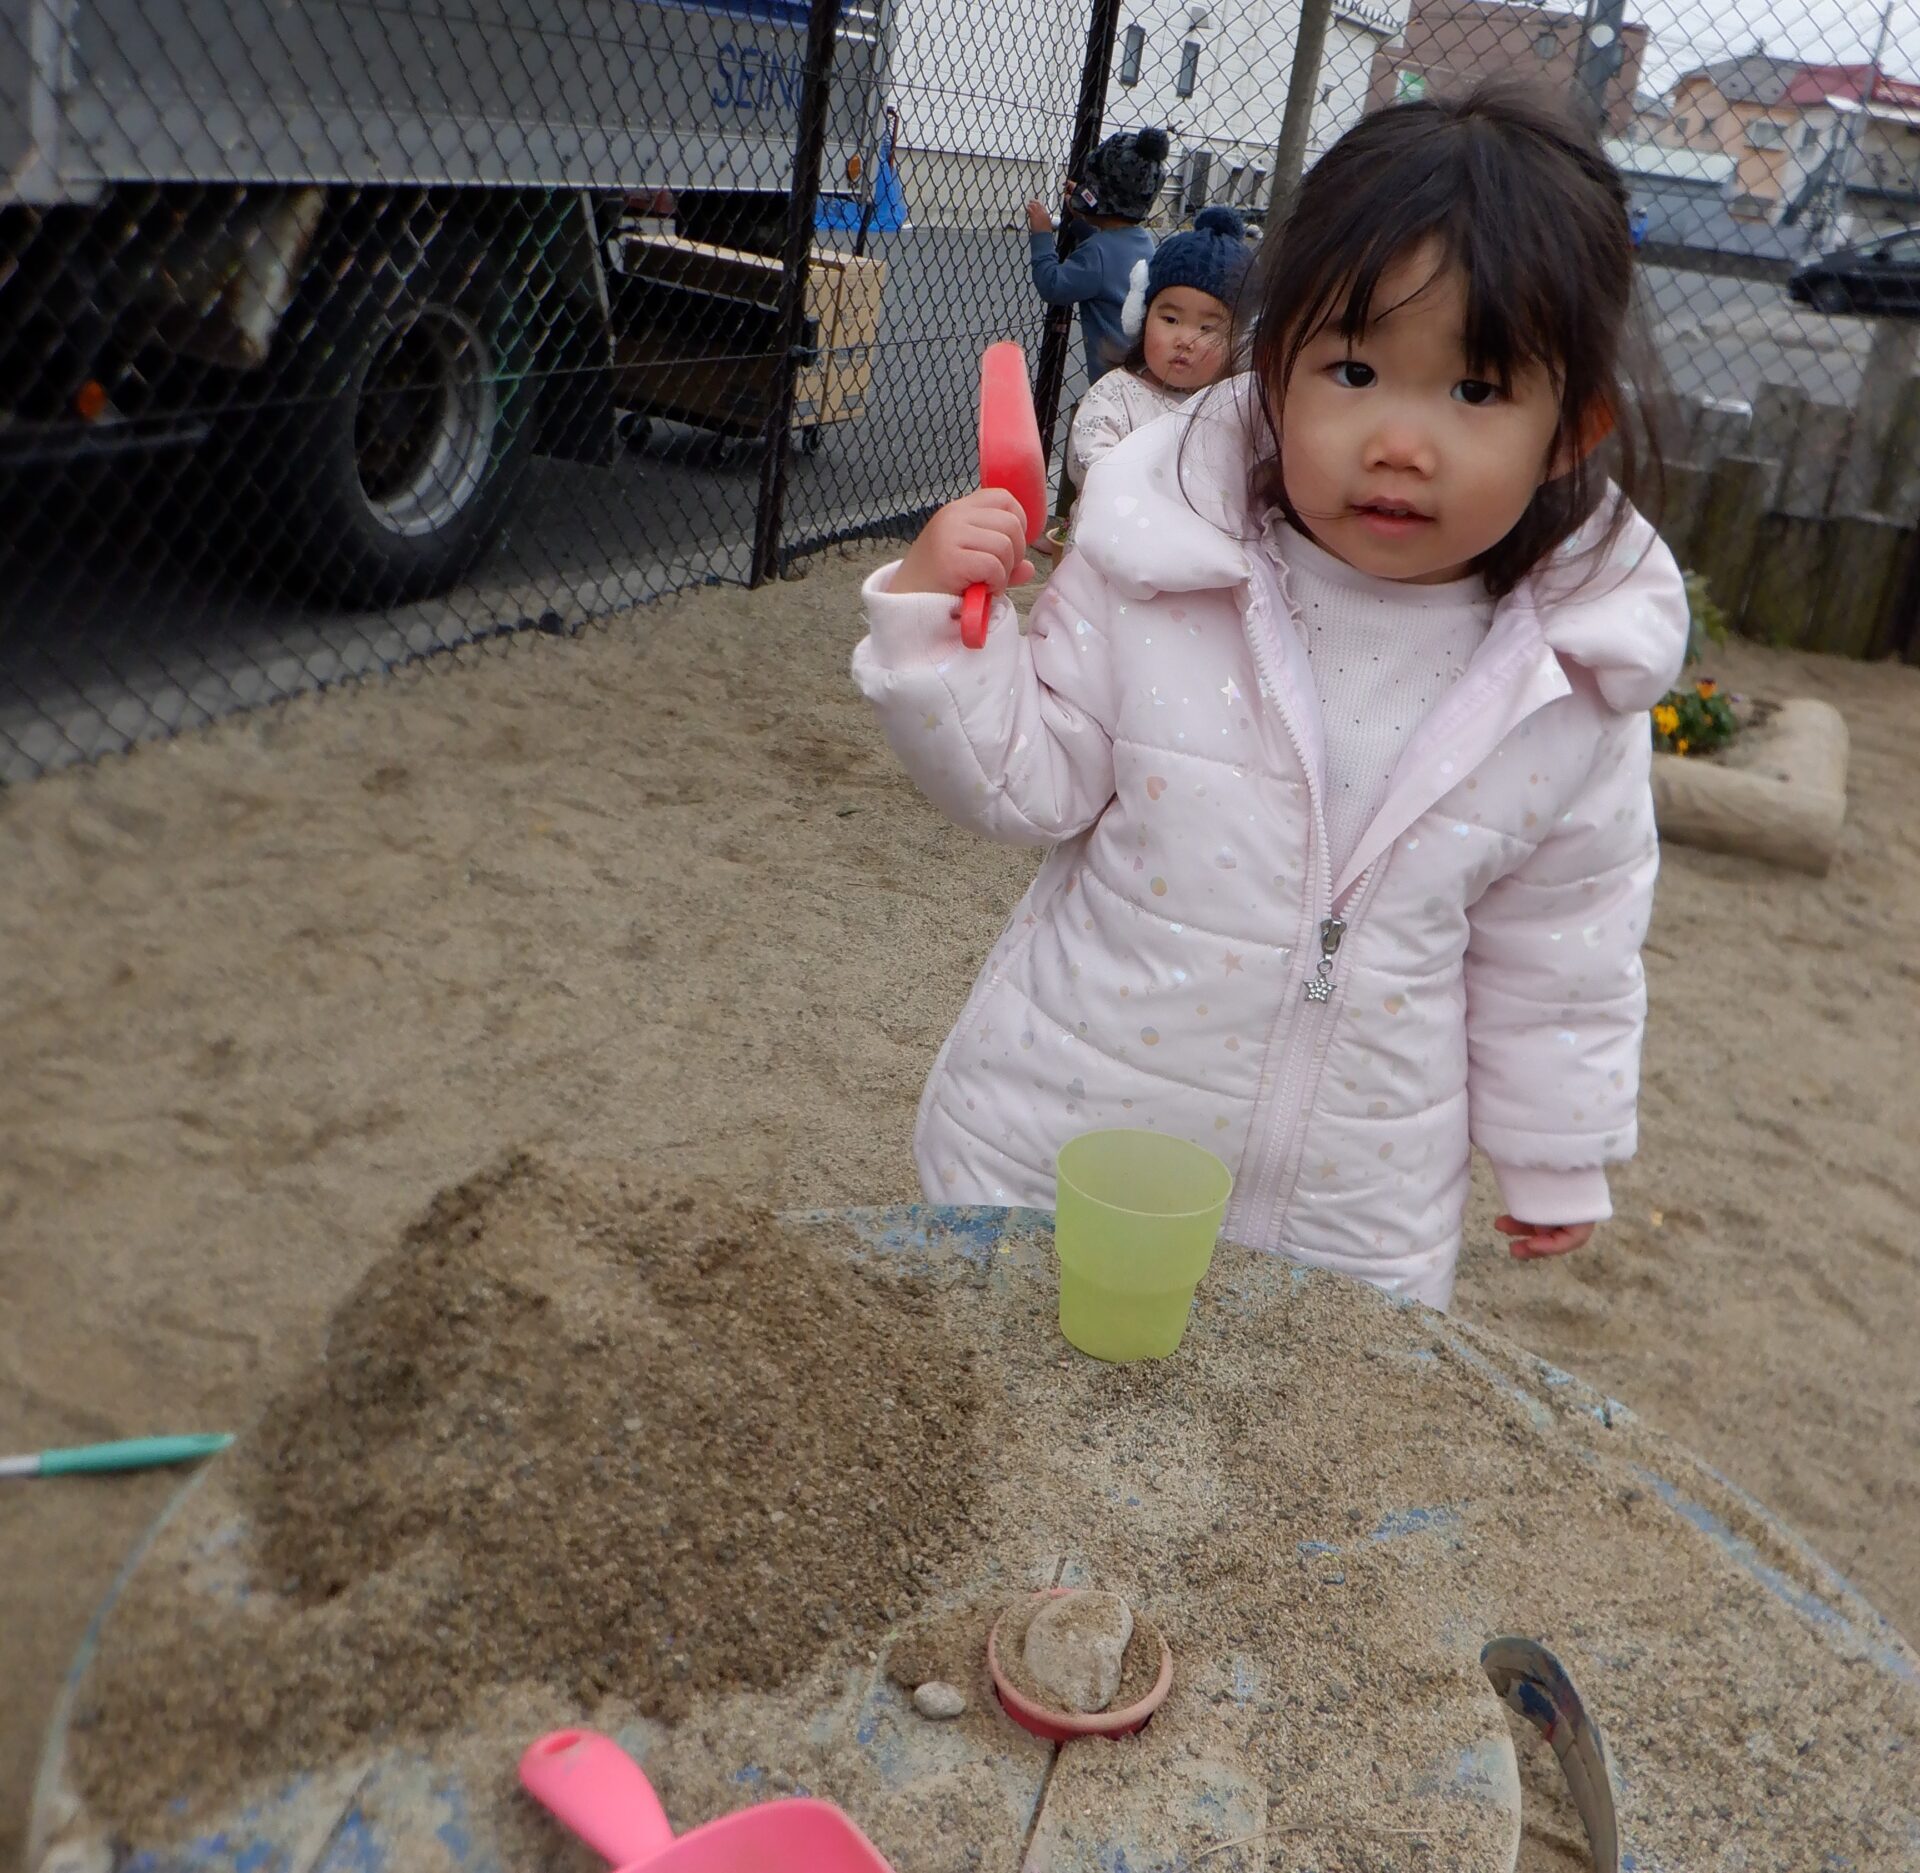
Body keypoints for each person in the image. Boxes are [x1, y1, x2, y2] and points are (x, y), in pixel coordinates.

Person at [851, 84, 1687, 1312]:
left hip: (1347, 1222)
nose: (1400, 442)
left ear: (1571, 431)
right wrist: (938, 622)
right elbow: (1022, 785)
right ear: (1275, 373)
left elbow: (1567, 947)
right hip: (1063, 1152)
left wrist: (1556, 1148)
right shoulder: (1163, 570)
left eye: (1475, 391)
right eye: (1353, 369)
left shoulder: (1569, 677)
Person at [1066, 204, 1252, 491]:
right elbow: (1090, 464)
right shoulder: (1116, 394)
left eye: (1207, 328)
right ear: (1140, 316)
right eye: (1170, 319)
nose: (1185, 340)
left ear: (1238, 340)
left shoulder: (1239, 409)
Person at [1026, 126, 1170, 384]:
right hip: (1140, 371)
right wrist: (1081, 218)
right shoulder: (1142, 241)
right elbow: (1106, 255)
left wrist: (1042, 234)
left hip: (1114, 382)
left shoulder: (1097, 253)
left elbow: (1053, 285)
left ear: (1096, 198)